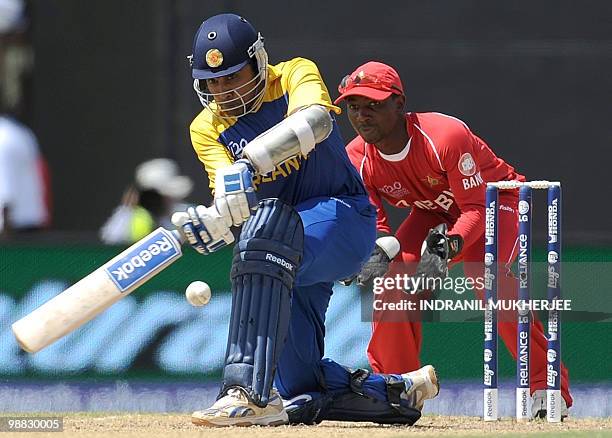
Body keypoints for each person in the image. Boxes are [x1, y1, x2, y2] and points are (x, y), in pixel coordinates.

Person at [171, 14, 439, 427]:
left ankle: (245, 391)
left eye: (232, 76)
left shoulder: (294, 73)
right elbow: (233, 199)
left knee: (263, 236)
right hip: (285, 255)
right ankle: (397, 393)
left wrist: (248, 162)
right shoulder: (206, 128)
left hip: (344, 217)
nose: (223, 91)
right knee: (300, 387)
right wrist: (214, 222)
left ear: (258, 61)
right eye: (214, 82)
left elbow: (315, 121)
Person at [335, 61, 572, 418]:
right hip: (434, 212)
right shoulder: (357, 156)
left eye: (374, 105)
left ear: (399, 104)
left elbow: (475, 209)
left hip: (498, 201)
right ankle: (397, 389)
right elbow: (378, 228)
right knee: (393, 280)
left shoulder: (444, 135)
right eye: (354, 107)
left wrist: (451, 245)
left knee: (494, 282)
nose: (362, 116)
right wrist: (373, 252)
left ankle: (546, 386)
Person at [99, 158, 193, 244]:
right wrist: (128, 210)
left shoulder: (187, 213)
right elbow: (109, 240)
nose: (155, 201)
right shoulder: (129, 214)